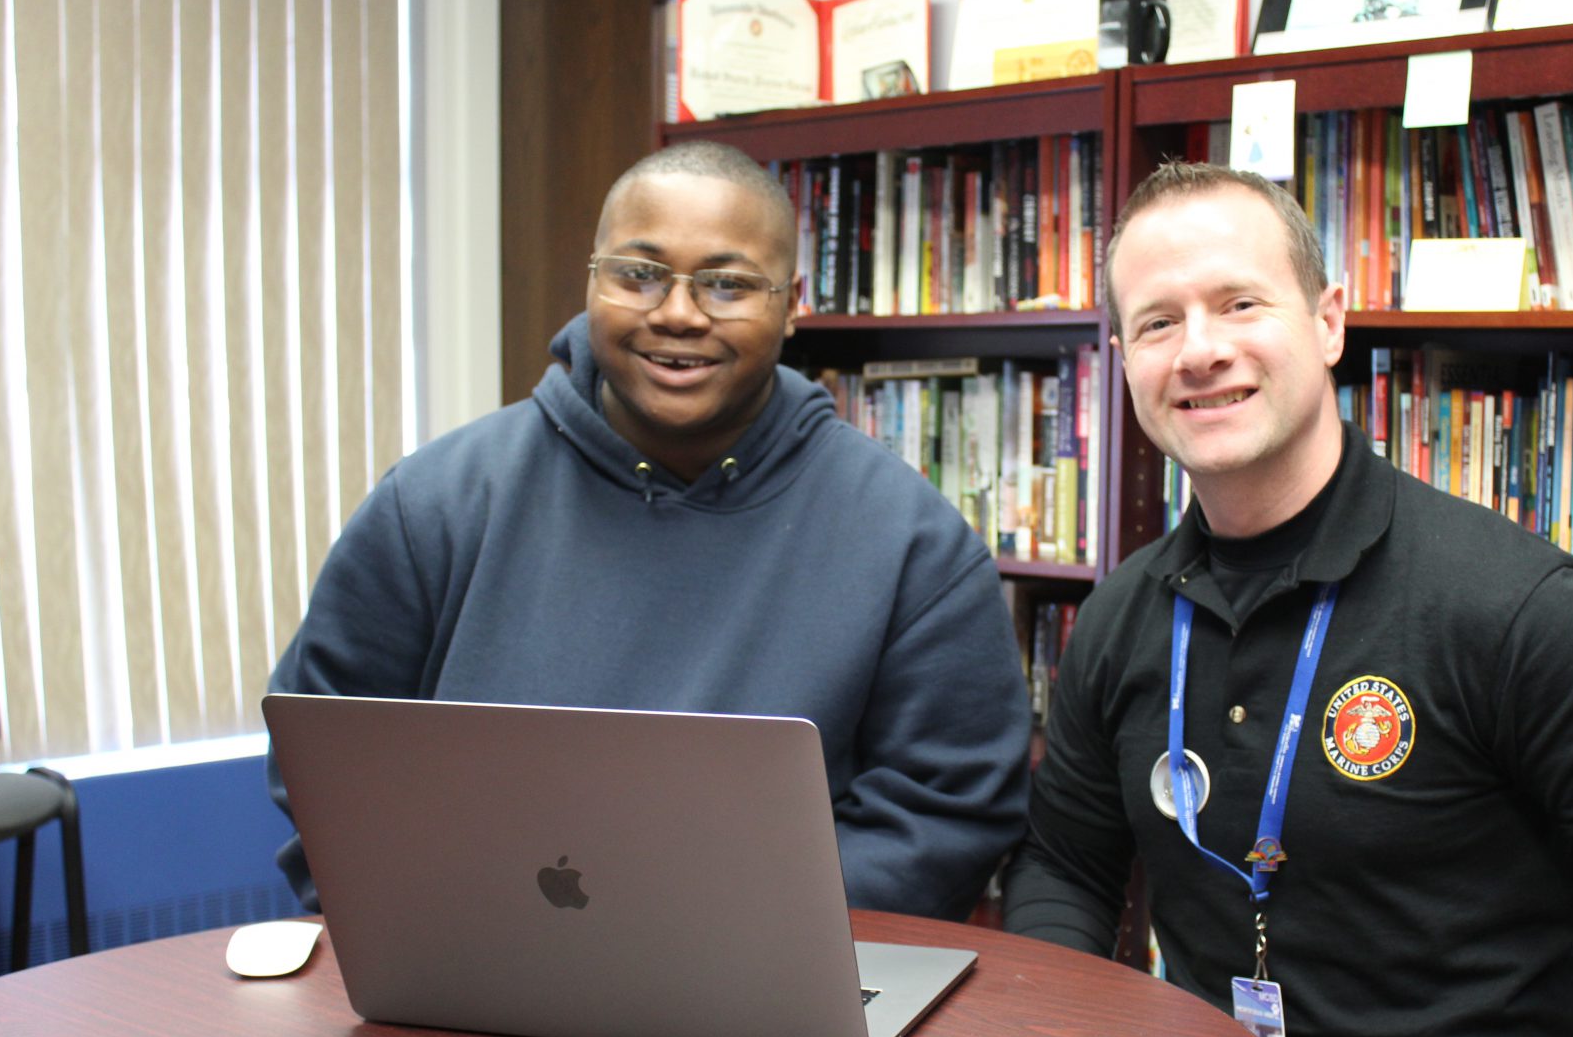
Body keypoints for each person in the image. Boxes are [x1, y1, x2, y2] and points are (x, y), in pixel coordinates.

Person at [1001, 161, 1573, 1037]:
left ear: (1327, 321)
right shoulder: (1120, 619)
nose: (1199, 349)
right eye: (1157, 322)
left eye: (1240, 303)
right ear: (1122, 359)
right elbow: (1064, 867)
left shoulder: (1509, 606)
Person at [266, 141, 1031, 921]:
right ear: (592, 278)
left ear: (793, 303)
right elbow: (324, 752)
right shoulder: (434, 504)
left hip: (766, 992)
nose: (677, 313)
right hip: (465, 962)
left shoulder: (911, 543)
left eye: (728, 284)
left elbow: (946, 813)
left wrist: (717, 934)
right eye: (639, 274)